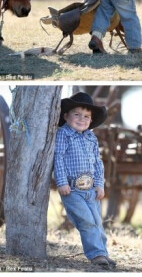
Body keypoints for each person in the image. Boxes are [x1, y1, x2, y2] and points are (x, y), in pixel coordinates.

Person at [54, 91, 115, 270]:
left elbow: (97, 162)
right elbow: (58, 158)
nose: (82, 119)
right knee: (86, 222)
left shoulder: (91, 137)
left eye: (87, 116)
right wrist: (61, 182)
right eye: (77, 114)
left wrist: (99, 184)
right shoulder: (63, 135)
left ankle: (103, 253)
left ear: (91, 119)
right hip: (72, 189)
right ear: (66, 116)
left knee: (97, 222)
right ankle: (96, 254)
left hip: (91, 190)